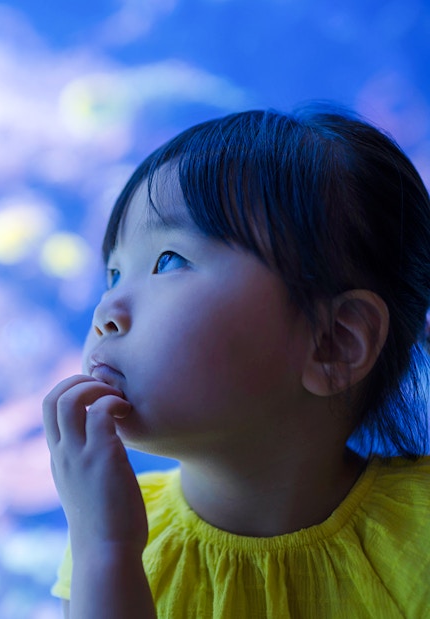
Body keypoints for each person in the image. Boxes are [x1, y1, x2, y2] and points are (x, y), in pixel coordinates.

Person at [43, 105, 430, 619]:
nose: (105, 313)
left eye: (168, 261)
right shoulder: (106, 530)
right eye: (114, 273)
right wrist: (104, 552)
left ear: (334, 341)